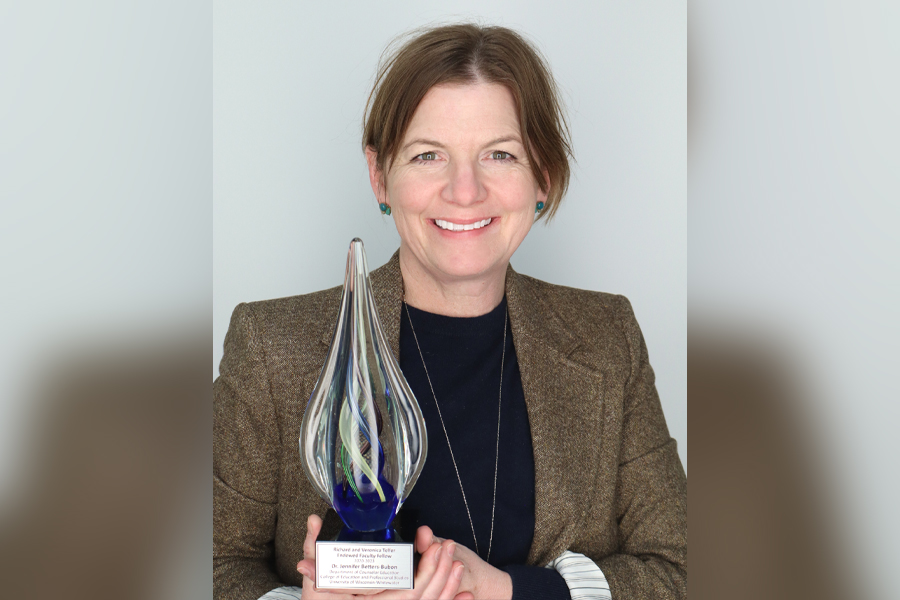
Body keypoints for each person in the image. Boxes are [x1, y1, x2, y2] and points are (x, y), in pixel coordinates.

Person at [214, 23, 686, 600]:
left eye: (500, 154)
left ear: (542, 176)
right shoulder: (270, 345)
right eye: (428, 155)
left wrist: (511, 591)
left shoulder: (609, 336)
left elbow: (680, 568)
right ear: (379, 176)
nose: (465, 191)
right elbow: (215, 562)